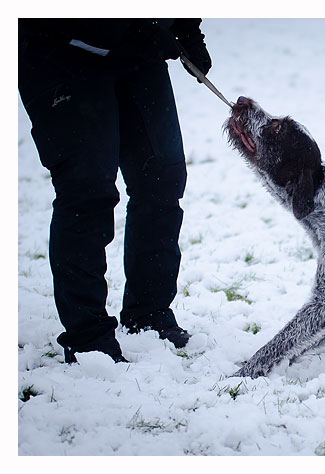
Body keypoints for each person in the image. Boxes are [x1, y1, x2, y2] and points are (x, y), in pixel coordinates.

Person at [18, 19, 212, 363]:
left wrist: (186, 28)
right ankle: (88, 337)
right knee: (87, 189)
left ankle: (148, 314)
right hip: (60, 45)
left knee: (162, 177)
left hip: (138, 51)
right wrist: (134, 29)